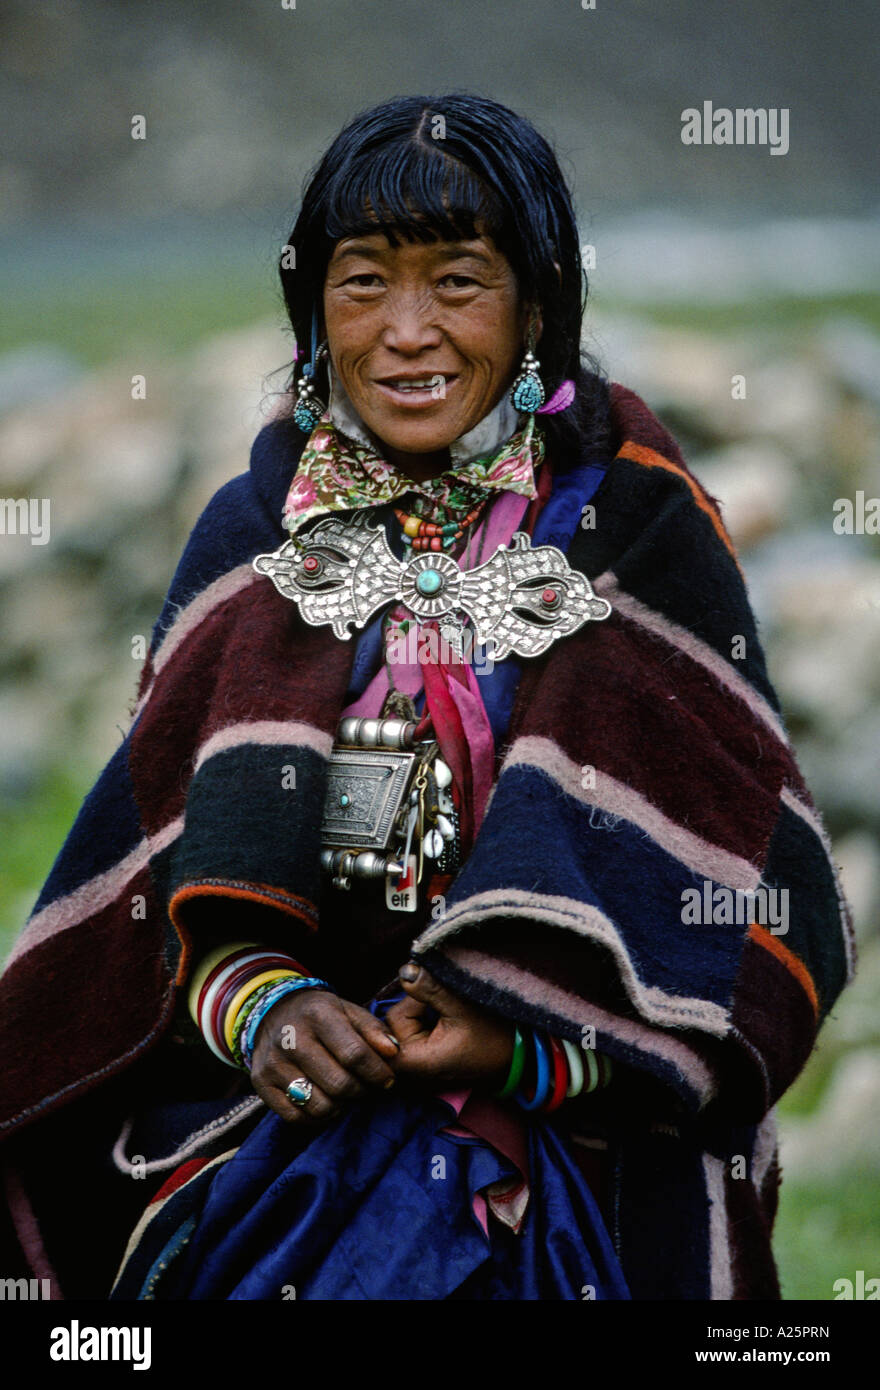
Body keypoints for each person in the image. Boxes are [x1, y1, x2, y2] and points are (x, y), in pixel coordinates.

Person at [0, 92, 854, 1301]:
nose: (408, 332)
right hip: (278, 1135)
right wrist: (267, 1009)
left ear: (537, 306)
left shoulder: (637, 533)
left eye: (458, 281)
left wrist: (523, 1045)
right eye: (363, 283)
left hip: (584, 1139)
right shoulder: (257, 539)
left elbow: (756, 915)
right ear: (314, 311)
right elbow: (150, 903)